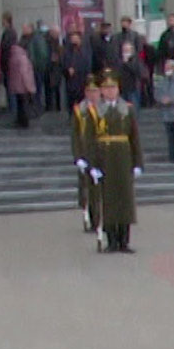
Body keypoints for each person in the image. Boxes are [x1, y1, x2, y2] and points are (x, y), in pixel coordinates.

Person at [91, 74, 144, 253]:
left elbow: (134, 137)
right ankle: (111, 240)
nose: (110, 92)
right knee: (110, 200)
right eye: (106, 89)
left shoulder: (127, 109)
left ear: (118, 90)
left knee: (125, 200)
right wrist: (93, 166)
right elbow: (91, 140)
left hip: (123, 159)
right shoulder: (97, 111)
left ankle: (124, 240)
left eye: (113, 88)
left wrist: (138, 163)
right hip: (105, 159)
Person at [72, 75, 103, 232]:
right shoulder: (80, 110)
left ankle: (104, 219)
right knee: (88, 189)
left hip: (101, 153)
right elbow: (76, 136)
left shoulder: (105, 108)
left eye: (95, 91)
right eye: (90, 91)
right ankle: (92, 219)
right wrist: (78, 157)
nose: (93, 94)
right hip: (86, 152)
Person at [6, 38, 37, 129]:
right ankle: (24, 122)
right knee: (24, 105)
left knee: (19, 104)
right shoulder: (23, 57)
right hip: (23, 86)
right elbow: (24, 73)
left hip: (15, 85)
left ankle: (19, 120)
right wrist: (29, 87)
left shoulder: (13, 55)